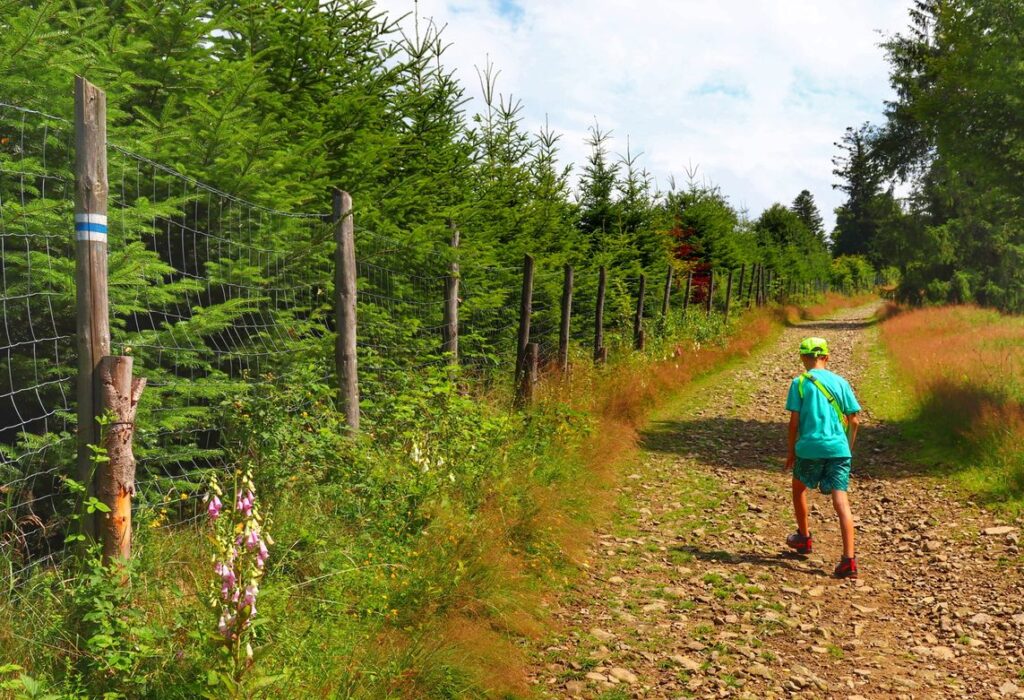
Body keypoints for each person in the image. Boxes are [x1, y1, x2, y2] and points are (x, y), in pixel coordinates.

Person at [783, 336, 862, 579]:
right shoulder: (841, 382)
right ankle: (849, 559)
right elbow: (855, 420)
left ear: (803, 358)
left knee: (799, 489)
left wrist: (791, 451)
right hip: (839, 449)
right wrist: (847, 447)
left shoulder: (798, 383)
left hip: (808, 448)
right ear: (826, 357)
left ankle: (804, 538)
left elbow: (794, 422)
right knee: (841, 502)